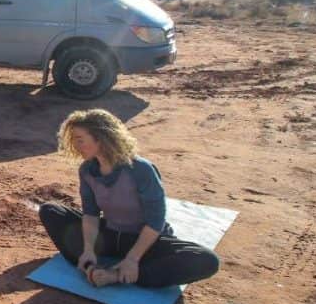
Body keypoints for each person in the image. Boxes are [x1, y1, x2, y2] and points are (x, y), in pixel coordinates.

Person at [38, 109, 220, 288]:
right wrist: (88, 249)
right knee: (51, 211)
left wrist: (132, 259)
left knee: (206, 260)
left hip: (144, 241)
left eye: (80, 140)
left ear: (101, 138)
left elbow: (155, 221)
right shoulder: (87, 170)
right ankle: (90, 266)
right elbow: (91, 214)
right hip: (109, 236)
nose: (76, 146)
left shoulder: (141, 169)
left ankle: (117, 275)